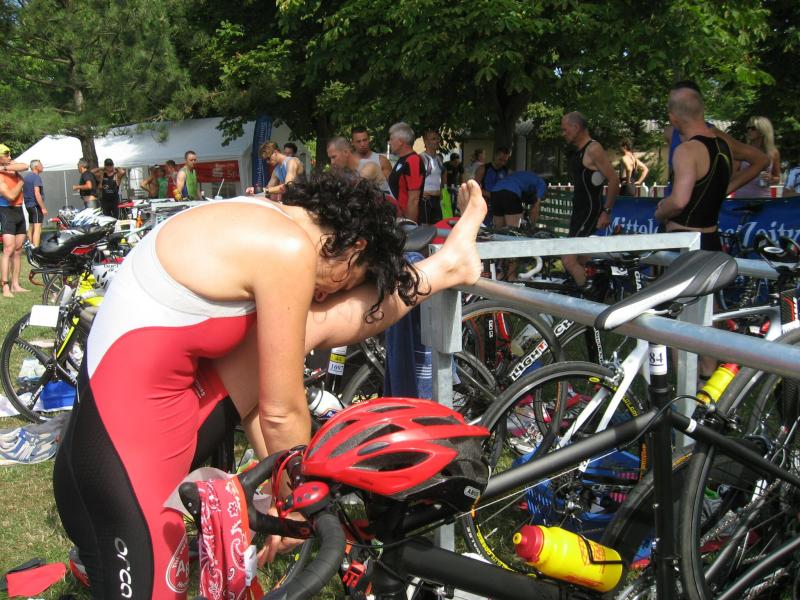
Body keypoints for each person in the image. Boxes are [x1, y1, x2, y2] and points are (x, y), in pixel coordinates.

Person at [52, 174, 488, 599]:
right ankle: (447, 266)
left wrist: (284, 496)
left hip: (112, 445)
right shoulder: (287, 250)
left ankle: (447, 266)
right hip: (120, 477)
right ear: (355, 246)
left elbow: (262, 399)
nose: (325, 295)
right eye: (353, 279)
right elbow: (281, 411)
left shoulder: (262, 216)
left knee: (305, 325)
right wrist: (303, 502)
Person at [663, 81, 768, 197]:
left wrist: (721, 191)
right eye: (672, 104)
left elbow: (761, 160)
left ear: (699, 107)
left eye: (684, 104)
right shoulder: (670, 133)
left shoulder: (716, 137)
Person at [560, 112, 620, 288]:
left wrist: (606, 211)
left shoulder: (593, 148)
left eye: (565, 130)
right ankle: (596, 291)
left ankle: (586, 297)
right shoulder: (579, 151)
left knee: (568, 259)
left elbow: (614, 180)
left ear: (576, 127)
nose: (563, 134)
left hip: (589, 211)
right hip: (579, 211)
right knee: (582, 259)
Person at [0, 145, 28, 298]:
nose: (10, 157)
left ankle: (15, 285)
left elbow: (25, 166)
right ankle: (5, 286)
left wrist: (6, 167)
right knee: (8, 249)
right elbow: (10, 196)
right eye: (6, 154)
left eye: (10, 154)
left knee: (18, 250)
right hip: (7, 212)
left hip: (19, 211)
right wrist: (21, 182)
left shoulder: (9, 167)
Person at [386, 122, 426, 222]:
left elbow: (414, 200)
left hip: (406, 221)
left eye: (391, 139)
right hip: (398, 218)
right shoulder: (402, 159)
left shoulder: (413, 160)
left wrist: (410, 226)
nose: (389, 143)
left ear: (400, 141)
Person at [735, 116, 781, 198]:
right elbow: (732, 176)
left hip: (763, 198)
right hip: (742, 198)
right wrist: (751, 171)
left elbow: (777, 178)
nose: (749, 130)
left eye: (753, 128)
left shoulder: (773, 152)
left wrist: (771, 178)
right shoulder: (742, 150)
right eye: (748, 128)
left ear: (762, 131)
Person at [351, 126, 393, 196]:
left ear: (369, 139)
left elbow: (391, 188)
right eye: (358, 141)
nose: (362, 144)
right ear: (352, 143)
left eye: (365, 140)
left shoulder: (382, 160)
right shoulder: (348, 162)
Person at [474, 147, 511, 225]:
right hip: (485, 204)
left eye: (505, 161)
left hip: (501, 206)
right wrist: (488, 194)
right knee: (484, 228)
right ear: (495, 156)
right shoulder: (483, 169)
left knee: (500, 229)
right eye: (500, 159)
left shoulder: (507, 171)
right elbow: (474, 188)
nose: (502, 163)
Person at [420, 129, 445, 224]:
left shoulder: (439, 159)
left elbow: (441, 176)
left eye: (438, 138)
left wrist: (442, 190)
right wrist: (421, 192)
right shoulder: (421, 158)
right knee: (426, 229)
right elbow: (412, 179)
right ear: (426, 142)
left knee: (438, 227)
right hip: (426, 200)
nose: (437, 141)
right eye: (434, 139)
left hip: (437, 200)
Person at [23, 159, 47, 247]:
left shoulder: (26, 177)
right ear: (36, 167)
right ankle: (35, 249)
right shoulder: (36, 177)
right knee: (37, 228)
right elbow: (37, 193)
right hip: (35, 205)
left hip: (28, 205)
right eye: (41, 165)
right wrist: (43, 208)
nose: (43, 166)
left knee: (31, 226)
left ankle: (30, 247)